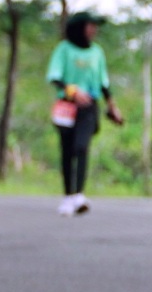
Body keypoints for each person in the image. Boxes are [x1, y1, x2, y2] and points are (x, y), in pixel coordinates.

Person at [45, 12, 121, 215]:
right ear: (80, 27)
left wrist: (112, 106)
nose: (94, 30)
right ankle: (68, 196)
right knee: (67, 150)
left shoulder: (97, 52)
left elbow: (103, 82)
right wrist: (72, 91)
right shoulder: (64, 49)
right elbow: (54, 77)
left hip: (89, 106)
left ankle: (79, 194)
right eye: (90, 26)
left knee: (81, 146)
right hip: (67, 105)